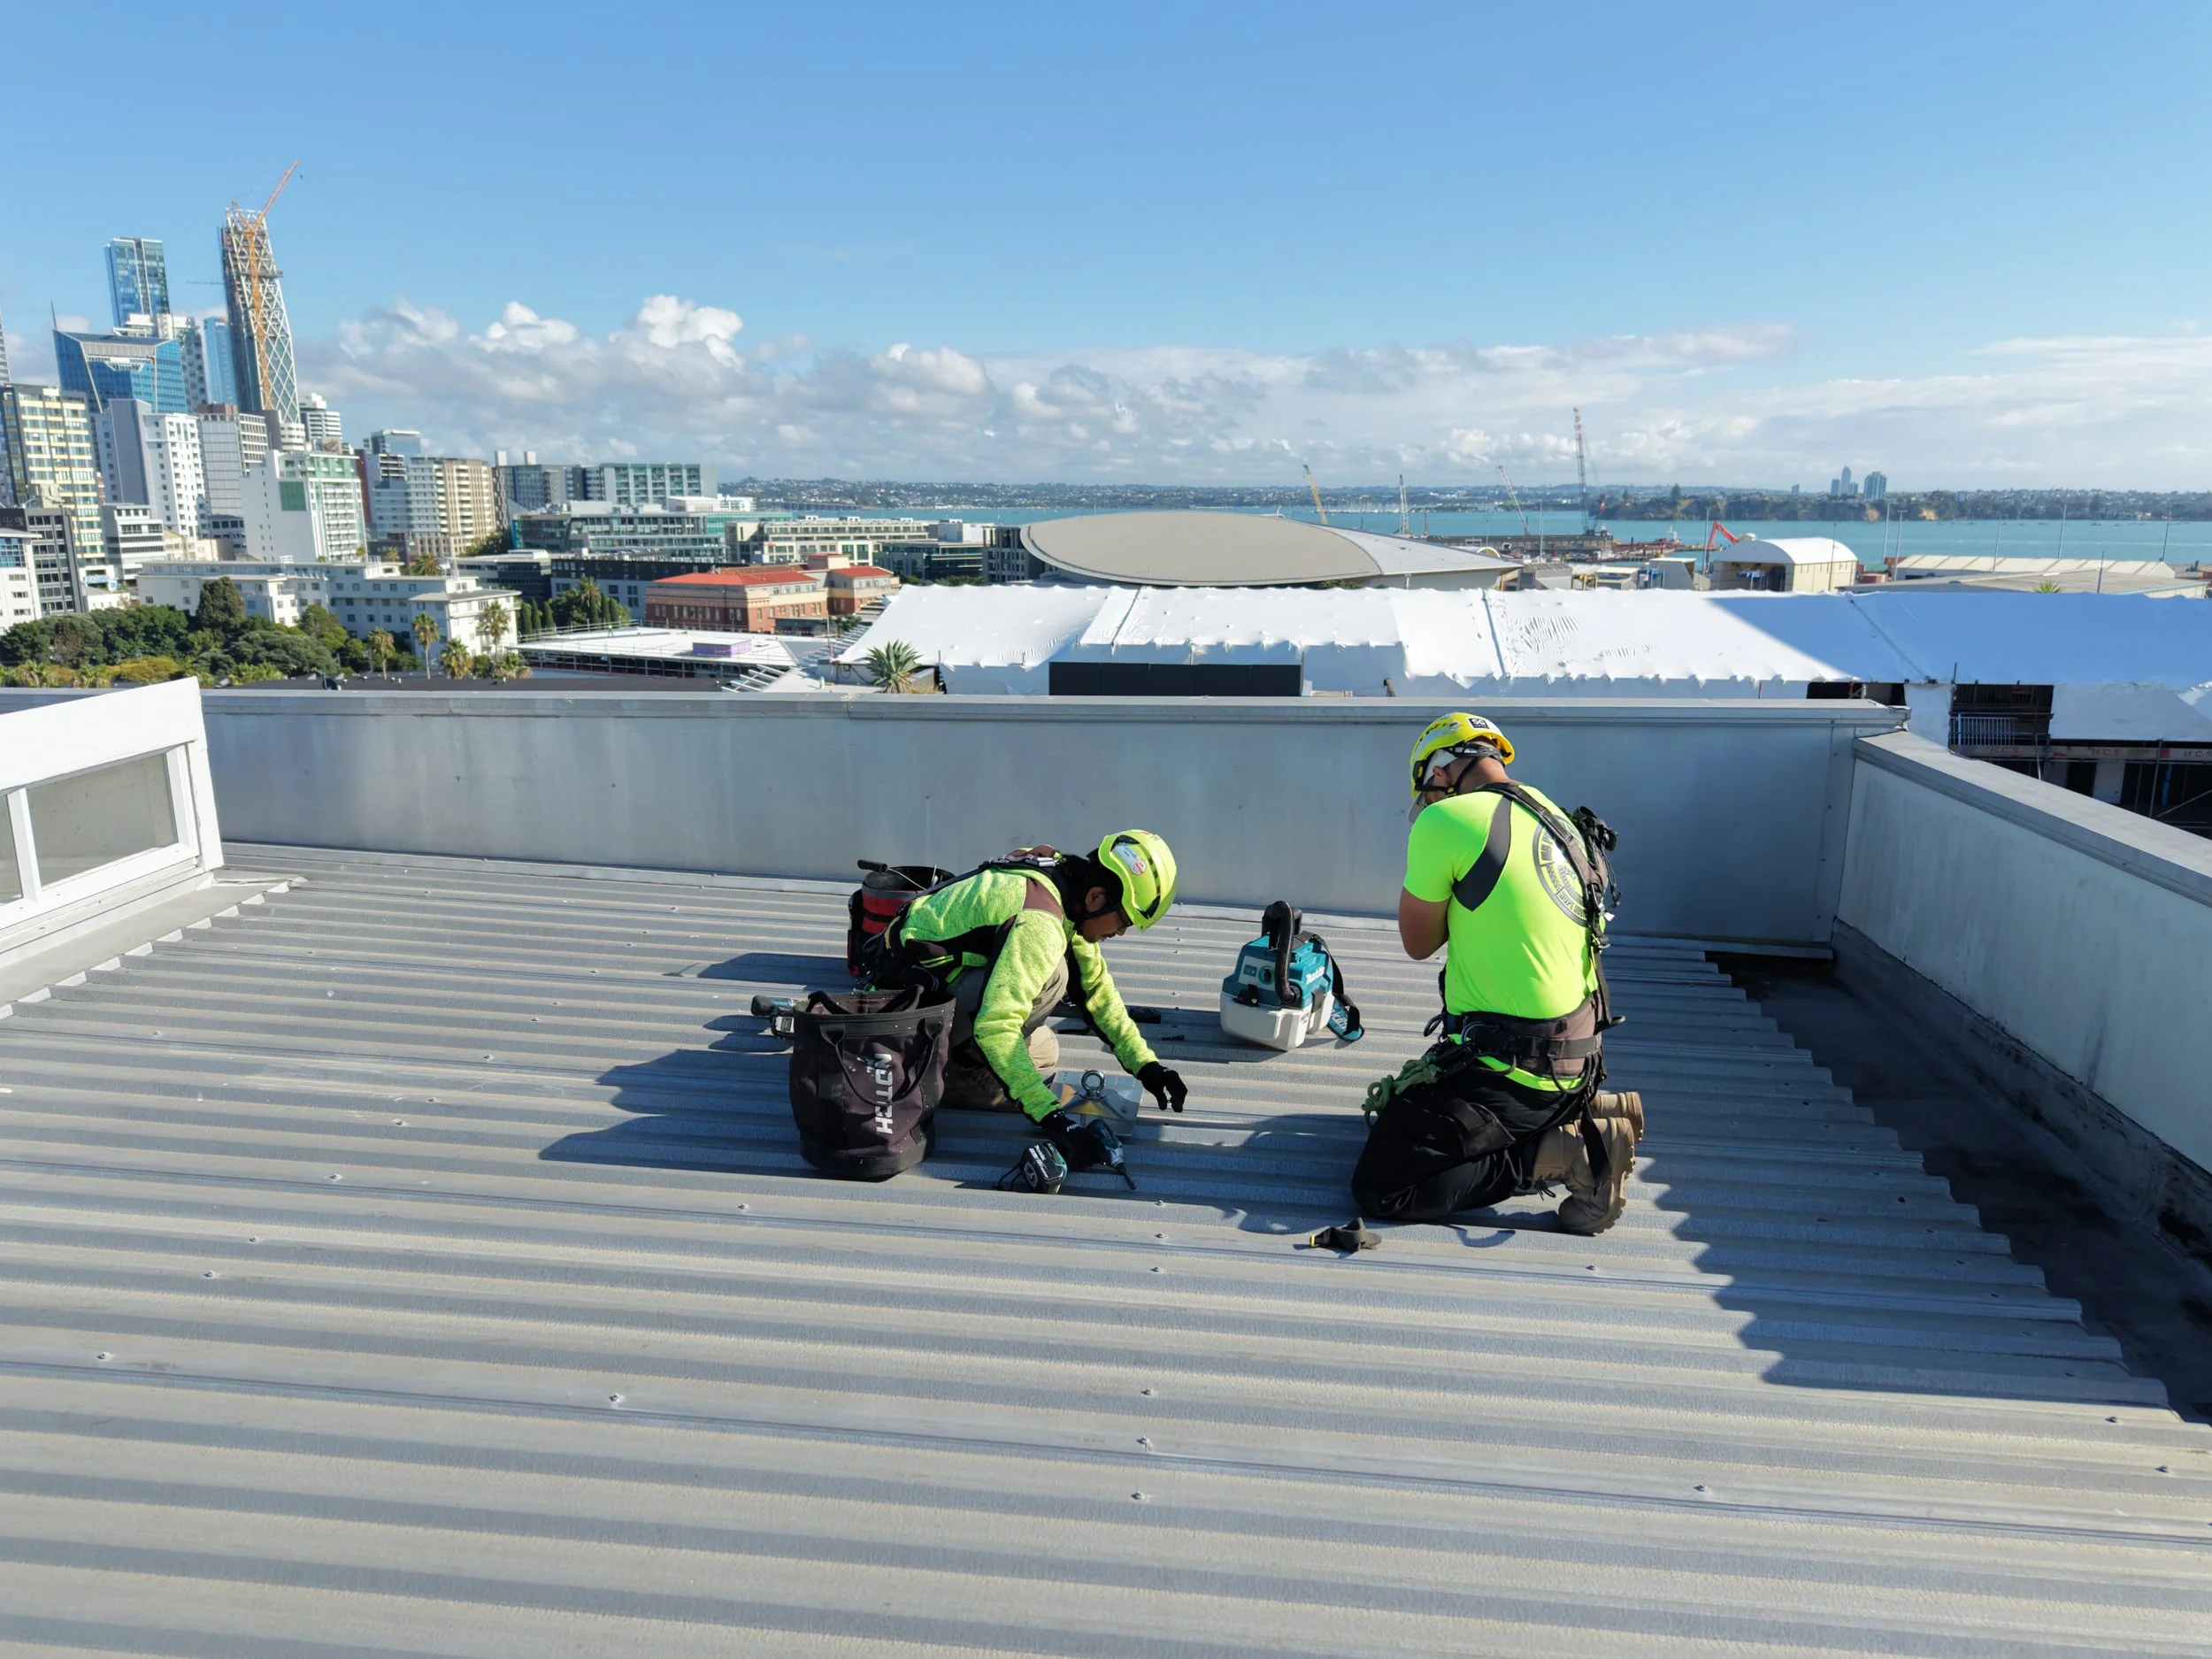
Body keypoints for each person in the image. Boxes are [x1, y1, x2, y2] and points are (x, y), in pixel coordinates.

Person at [1350, 713, 1644, 1234]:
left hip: (1513, 1070)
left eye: (1428, 792)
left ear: (1439, 771)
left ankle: (1570, 1153)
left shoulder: (1447, 823)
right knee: (1407, 1113)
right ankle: (1584, 1109)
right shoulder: (1557, 817)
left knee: (1385, 1184)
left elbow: (1418, 944)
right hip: (1575, 1058)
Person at [867, 831, 1189, 1179]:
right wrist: (1055, 1120)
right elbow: (997, 1027)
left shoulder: (1062, 880)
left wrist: (1147, 1066)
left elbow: (1096, 991)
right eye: (1124, 921)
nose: (1122, 932)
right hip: (899, 1017)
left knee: (1044, 1050)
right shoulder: (1040, 924)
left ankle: (965, 1060)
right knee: (1053, 976)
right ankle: (954, 1075)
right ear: (1098, 896)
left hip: (930, 986)